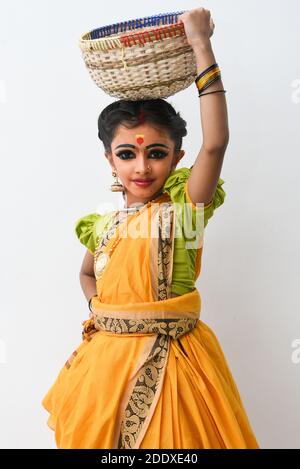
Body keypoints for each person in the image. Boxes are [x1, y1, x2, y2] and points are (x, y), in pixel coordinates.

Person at [42, 8, 259, 449]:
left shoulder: (184, 212)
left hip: (174, 367)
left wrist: (201, 44)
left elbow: (216, 142)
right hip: (103, 370)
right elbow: (87, 274)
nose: (141, 167)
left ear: (178, 158)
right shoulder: (103, 224)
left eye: (156, 153)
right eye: (127, 154)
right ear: (109, 159)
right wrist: (102, 313)